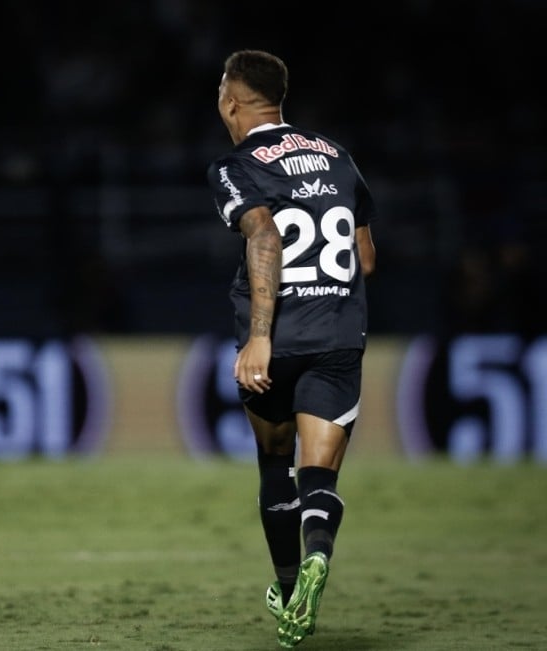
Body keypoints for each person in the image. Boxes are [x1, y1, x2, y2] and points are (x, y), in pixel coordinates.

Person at [205, 50, 377, 649]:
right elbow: (366, 258)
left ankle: (284, 586)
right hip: (336, 333)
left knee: (274, 461)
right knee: (319, 474)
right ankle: (318, 556)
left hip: (275, 340)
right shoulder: (339, 156)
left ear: (232, 100)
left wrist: (259, 335)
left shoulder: (234, 165)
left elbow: (265, 232)